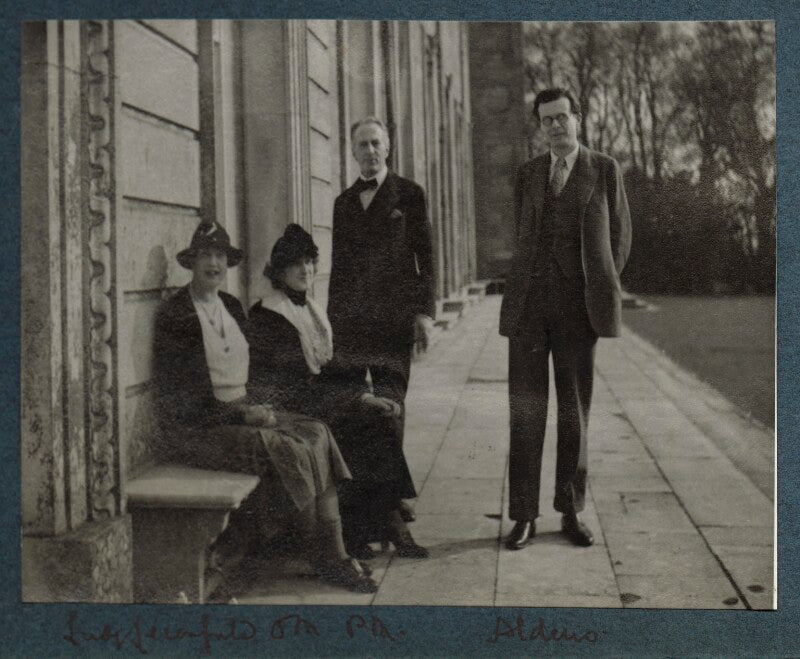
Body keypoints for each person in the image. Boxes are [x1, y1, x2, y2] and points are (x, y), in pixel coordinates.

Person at [152, 218, 377, 593]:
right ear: (192, 262)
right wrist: (242, 413)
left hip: (241, 411)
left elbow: (252, 370)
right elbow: (183, 399)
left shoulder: (230, 305)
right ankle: (328, 558)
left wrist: (263, 405)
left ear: (228, 262)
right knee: (288, 448)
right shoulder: (178, 315)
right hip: (200, 429)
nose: (214, 264)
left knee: (317, 432)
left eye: (220, 256)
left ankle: (331, 554)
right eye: (206, 255)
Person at [499, 88, 632, 550]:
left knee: (574, 413)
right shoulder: (529, 174)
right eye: (547, 120)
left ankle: (570, 510)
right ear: (540, 126)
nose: (555, 126)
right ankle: (524, 516)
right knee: (526, 411)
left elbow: (620, 237)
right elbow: (522, 234)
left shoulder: (604, 169)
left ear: (578, 118)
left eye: (562, 117)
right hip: (528, 309)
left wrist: (599, 284)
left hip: (578, 311)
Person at [248, 224, 427, 560]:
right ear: (279, 271)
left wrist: (364, 396)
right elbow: (289, 382)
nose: (305, 270)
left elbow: (335, 367)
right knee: (358, 425)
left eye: (309, 262)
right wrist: (350, 401)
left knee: (377, 418)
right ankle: (372, 528)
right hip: (289, 404)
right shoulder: (268, 315)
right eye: (296, 264)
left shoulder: (312, 310)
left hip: (315, 397)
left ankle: (381, 522)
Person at [327, 116, 435, 537]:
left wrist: (424, 313)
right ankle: (378, 497)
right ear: (352, 151)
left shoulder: (410, 195)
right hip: (352, 324)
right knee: (360, 409)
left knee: (391, 406)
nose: (370, 151)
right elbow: (338, 270)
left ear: (387, 147)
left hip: (394, 321)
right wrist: (330, 325)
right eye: (362, 145)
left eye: (375, 143)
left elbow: (426, 258)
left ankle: (391, 498)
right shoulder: (343, 203)